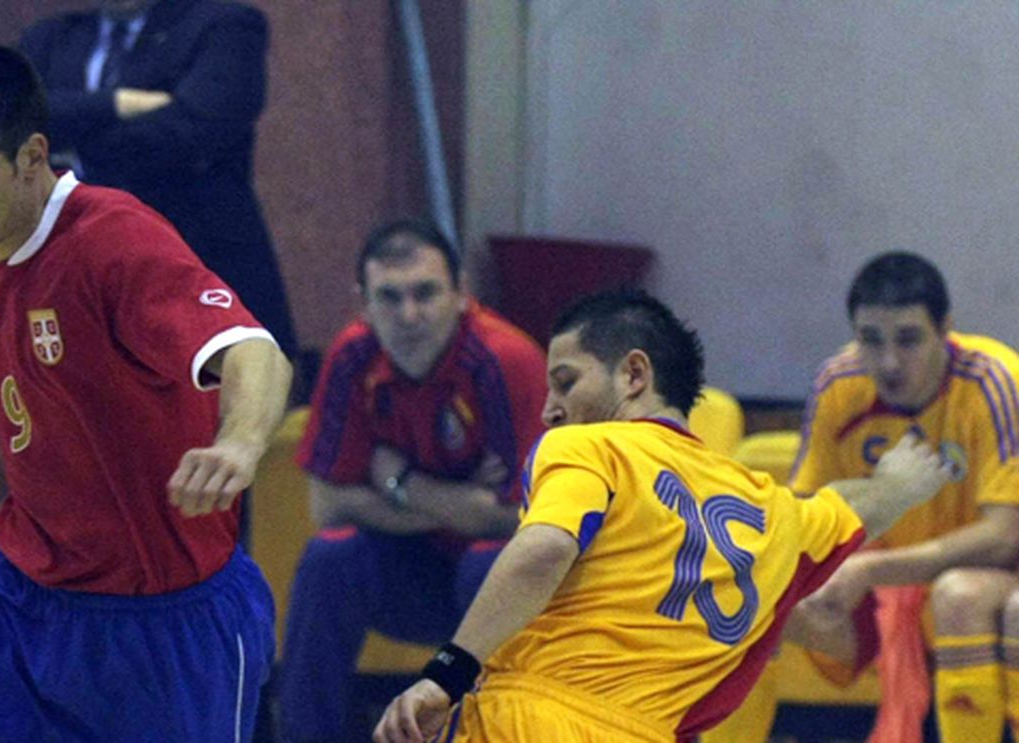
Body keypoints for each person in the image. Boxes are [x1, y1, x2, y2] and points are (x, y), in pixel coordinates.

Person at [0, 40, 292, 743]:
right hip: (20, 606)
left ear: (31, 157)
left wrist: (239, 443)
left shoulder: (115, 242)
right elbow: (21, 421)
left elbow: (256, 351)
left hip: (162, 626)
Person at [372, 289, 954, 743]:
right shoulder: (771, 511)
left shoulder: (587, 446)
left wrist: (446, 673)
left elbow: (545, 548)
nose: (549, 410)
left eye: (566, 382)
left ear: (633, 374)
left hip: (532, 717)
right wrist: (899, 485)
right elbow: (852, 508)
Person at [708, 252, 1019, 743]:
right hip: (882, 585)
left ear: (946, 329)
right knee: (748, 596)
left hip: (981, 574)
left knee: (958, 594)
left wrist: (871, 569)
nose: (889, 362)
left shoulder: (994, 381)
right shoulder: (839, 382)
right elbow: (804, 514)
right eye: (871, 340)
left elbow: (1006, 537)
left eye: (909, 339)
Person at [278, 219, 548, 742]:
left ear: (461, 294)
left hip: (500, 589)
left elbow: (529, 525)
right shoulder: (353, 356)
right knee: (331, 555)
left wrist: (399, 482)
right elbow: (328, 506)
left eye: (425, 293)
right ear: (363, 303)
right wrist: (462, 504)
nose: (409, 315)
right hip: (411, 574)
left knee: (486, 559)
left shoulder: (505, 360)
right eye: (390, 297)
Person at [19, 0, 297, 358]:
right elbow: (11, 117)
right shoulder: (51, 38)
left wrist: (67, 146)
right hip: (74, 278)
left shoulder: (223, 26)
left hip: (193, 267)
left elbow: (192, 131)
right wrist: (113, 104)